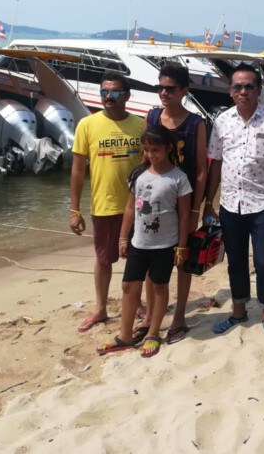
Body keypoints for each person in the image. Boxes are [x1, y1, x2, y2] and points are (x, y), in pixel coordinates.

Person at [204, 63, 264, 337]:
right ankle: (238, 312)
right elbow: (216, 163)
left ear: (258, 90)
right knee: (236, 261)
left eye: (249, 87)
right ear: (231, 91)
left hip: (262, 203)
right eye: (238, 87)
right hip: (230, 203)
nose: (243, 91)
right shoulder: (222, 121)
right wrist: (208, 202)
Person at [96, 125, 192, 358]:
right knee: (129, 286)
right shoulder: (139, 175)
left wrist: (181, 246)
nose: (151, 154)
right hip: (139, 243)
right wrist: (123, 238)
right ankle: (124, 335)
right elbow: (130, 208)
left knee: (159, 286)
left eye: (156, 150)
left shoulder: (178, 178)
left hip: (165, 245)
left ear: (168, 148)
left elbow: (184, 215)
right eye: (147, 150)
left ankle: (153, 333)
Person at [137, 63, 207, 345]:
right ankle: (150, 317)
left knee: (183, 260)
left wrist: (196, 209)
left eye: (170, 88)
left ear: (184, 91)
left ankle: (179, 316)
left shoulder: (195, 124)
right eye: (160, 88)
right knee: (150, 257)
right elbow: (145, 159)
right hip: (154, 201)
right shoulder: (152, 116)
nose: (164, 93)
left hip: (183, 202)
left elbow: (201, 169)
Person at [70, 73, 144, 333]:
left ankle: (138, 304)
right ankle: (100, 308)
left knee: (138, 259)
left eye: (114, 92)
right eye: (104, 92)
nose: (108, 97)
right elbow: (78, 170)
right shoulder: (87, 125)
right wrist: (74, 210)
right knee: (104, 259)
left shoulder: (140, 125)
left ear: (127, 95)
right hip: (104, 205)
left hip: (138, 208)